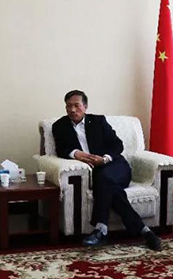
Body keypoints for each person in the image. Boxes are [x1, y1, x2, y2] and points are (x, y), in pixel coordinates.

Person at [52, 90, 162, 251]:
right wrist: (76, 153)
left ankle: (100, 229)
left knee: (104, 179)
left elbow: (117, 145)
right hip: (96, 173)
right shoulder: (59, 126)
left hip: (115, 166)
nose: (72, 110)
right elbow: (61, 149)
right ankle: (145, 231)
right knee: (111, 188)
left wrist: (104, 158)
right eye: (68, 106)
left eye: (76, 105)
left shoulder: (98, 121)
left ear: (85, 107)